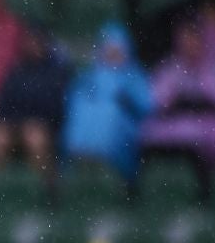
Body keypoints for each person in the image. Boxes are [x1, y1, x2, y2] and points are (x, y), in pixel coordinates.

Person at [138, 15, 215, 202]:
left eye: (193, 39)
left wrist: (196, 97)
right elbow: (156, 101)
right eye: (185, 40)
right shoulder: (170, 67)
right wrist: (176, 98)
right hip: (174, 127)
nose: (189, 44)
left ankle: (204, 196)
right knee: (148, 135)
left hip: (206, 127)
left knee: (203, 139)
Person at [0, 25, 73, 198]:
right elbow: (2, 103)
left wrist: (36, 120)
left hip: (43, 127)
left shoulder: (56, 71)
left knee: (35, 138)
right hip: (14, 124)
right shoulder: (15, 70)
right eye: (28, 41)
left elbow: (55, 107)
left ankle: (43, 193)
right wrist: (13, 121)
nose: (32, 45)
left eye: (36, 41)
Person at [63, 24, 154, 190]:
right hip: (81, 144)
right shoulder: (88, 76)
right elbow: (74, 103)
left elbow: (146, 107)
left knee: (110, 114)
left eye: (118, 50)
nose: (113, 54)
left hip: (123, 138)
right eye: (109, 49)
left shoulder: (134, 76)